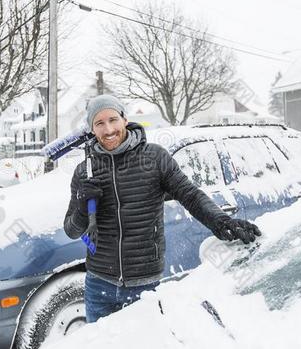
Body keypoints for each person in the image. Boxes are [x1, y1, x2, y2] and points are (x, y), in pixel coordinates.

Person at [63, 94, 261, 323]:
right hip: (98, 285)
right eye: (99, 123)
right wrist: (81, 204)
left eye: (113, 120)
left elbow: (190, 194)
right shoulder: (84, 171)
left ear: (125, 119)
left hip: (143, 286)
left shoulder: (154, 158)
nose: (108, 130)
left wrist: (221, 221)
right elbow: (72, 230)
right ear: (92, 129)